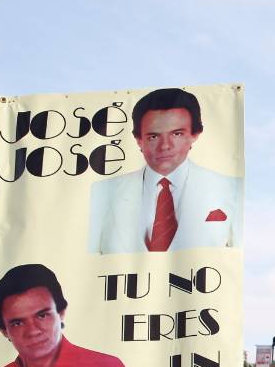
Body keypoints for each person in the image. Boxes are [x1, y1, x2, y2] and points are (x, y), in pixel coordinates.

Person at [88, 87, 242, 254]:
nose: (165, 146)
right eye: (153, 136)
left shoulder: (232, 190)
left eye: (177, 134)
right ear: (139, 140)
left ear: (195, 134)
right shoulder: (102, 192)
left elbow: (237, 263)